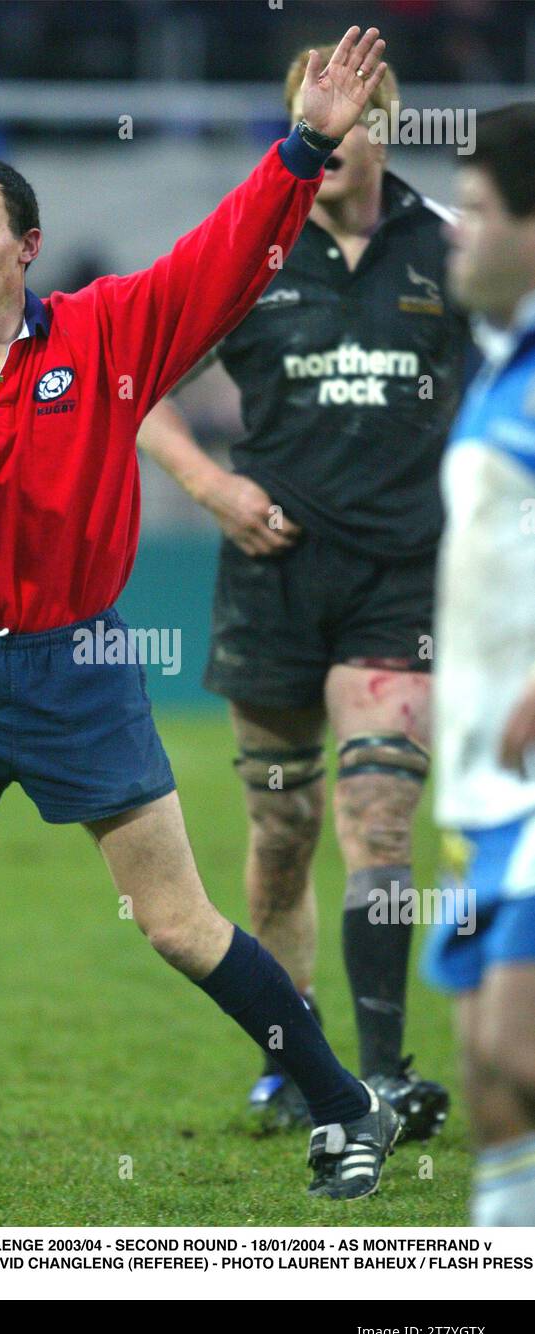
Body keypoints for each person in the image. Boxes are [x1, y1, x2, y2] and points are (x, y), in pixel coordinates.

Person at [0, 28, 404, 1207]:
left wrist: (306, 144)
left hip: (79, 665)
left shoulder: (107, 332)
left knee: (176, 924)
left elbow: (221, 260)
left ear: (27, 248)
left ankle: (342, 1102)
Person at [137, 45, 471, 1137]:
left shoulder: (452, 252)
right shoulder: (249, 250)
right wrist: (213, 486)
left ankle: (383, 1072)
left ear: (388, 125)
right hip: (270, 581)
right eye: (306, 120)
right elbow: (137, 387)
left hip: (398, 578)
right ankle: (296, 1055)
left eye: (348, 119)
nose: (327, 139)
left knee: (380, 815)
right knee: (283, 827)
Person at [423, 103, 535, 1225]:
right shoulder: (499, 365)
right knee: (487, 1071)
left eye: (476, 211)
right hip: (483, 782)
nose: (454, 232)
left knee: (514, 1039)